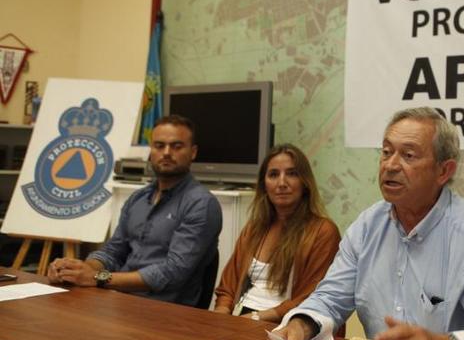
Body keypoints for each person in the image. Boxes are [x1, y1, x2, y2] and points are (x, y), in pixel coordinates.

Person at [266, 107, 464, 340]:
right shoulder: (367, 227)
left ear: (444, 171)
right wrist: (299, 326)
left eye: (408, 155)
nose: (391, 165)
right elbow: (330, 298)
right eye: (386, 152)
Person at [48, 115, 222, 307]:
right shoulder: (137, 199)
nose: (166, 152)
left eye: (176, 146)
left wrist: (98, 277)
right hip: (118, 299)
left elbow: (172, 273)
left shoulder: (201, 204)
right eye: (159, 145)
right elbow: (114, 251)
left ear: (193, 152)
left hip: (165, 311)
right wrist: (78, 270)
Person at [213, 144, 340, 323]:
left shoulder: (323, 231)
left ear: (305, 183)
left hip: (287, 324)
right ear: (264, 185)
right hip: (241, 320)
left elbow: (314, 297)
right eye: (273, 174)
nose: (282, 183)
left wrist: (258, 317)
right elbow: (227, 288)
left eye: (292, 174)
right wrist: (220, 316)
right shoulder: (254, 229)